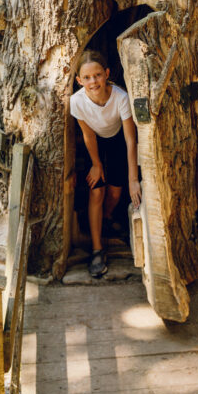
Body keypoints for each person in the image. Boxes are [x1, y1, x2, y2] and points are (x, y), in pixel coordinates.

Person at [70, 50, 141, 278]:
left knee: (115, 194)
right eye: (87, 78)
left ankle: (108, 218)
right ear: (79, 81)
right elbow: (88, 135)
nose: (93, 81)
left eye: (98, 75)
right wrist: (96, 164)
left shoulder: (120, 97)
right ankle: (97, 249)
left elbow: (131, 139)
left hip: (119, 142)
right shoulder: (77, 101)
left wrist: (133, 180)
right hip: (95, 145)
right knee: (97, 193)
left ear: (107, 74)